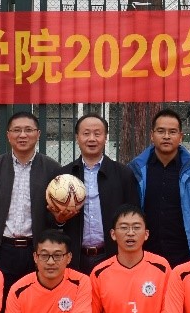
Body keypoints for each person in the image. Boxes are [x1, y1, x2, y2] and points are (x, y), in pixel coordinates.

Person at [0, 110, 64, 293]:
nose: (22, 135)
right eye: (16, 130)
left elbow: (55, 212)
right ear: (8, 135)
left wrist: (58, 219)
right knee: (2, 299)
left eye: (28, 130)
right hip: (3, 249)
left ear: (38, 134)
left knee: (36, 299)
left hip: (38, 249)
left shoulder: (52, 169)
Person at [129, 108, 190, 269]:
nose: (166, 136)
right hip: (145, 254)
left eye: (172, 132)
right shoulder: (136, 170)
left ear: (181, 136)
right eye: (161, 131)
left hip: (185, 254)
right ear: (152, 135)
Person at [60, 114, 141, 273]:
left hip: (112, 256)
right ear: (77, 137)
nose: (92, 139)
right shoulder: (64, 176)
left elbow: (134, 214)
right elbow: (51, 219)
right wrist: (59, 219)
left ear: (105, 137)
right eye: (86, 133)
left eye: (97, 134)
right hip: (75, 258)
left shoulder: (123, 174)